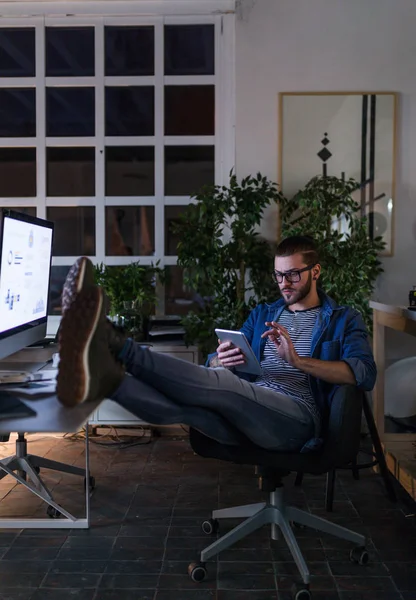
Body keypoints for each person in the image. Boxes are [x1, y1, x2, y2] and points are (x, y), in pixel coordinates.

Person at [56, 236, 376, 452]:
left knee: (224, 385)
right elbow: (217, 364)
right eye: (278, 276)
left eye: (292, 275)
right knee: (190, 407)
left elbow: (363, 373)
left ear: (315, 271)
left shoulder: (343, 319)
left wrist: (298, 361)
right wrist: (219, 360)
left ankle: (114, 344)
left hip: (297, 421)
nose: (283, 284)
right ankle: (107, 381)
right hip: (246, 410)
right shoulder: (263, 313)